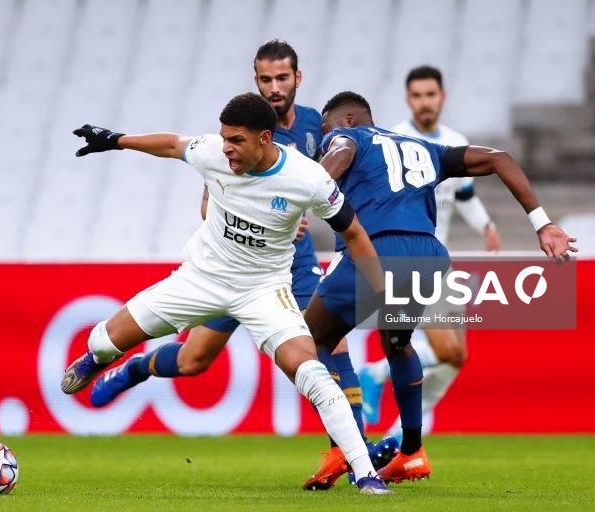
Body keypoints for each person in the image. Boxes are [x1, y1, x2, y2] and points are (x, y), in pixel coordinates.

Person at [88, 40, 397, 475]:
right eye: (265, 79)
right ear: (256, 80)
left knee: (329, 342)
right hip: (230, 265)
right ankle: (137, 367)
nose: (274, 87)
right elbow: (207, 203)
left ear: (297, 78)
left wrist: (299, 214)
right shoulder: (237, 136)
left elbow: (340, 176)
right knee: (194, 361)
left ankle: (348, 452)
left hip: (292, 263)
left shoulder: (317, 127)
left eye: (282, 78)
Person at [301, 91, 576, 485]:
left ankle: (344, 449)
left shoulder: (349, 137)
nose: (325, 137)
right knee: (397, 343)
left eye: (326, 128)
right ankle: (411, 452)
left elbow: (340, 151)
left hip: (376, 250)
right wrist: (543, 223)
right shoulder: (425, 148)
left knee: (309, 342)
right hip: (428, 257)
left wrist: (303, 191)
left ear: (346, 120)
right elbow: (500, 159)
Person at [359, 65, 502, 437]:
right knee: (443, 349)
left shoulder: (455, 142)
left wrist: (486, 225)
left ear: (442, 97)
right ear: (409, 99)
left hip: (442, 261)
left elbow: (465, 196)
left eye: (431, 95)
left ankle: (396, 442)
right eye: (418, 96)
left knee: (456, 357)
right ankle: (374, 374)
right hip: (409, 261)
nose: (425, 102)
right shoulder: (394, 141)